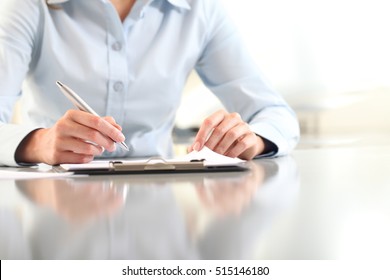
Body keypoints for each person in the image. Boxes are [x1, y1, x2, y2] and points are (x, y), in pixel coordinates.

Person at [0, 0, 300, 167]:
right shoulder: (29, 6)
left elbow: (276, 114)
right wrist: (40, 143)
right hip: (54, 197)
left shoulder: (200, 9)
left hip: (159, 195)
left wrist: (251, 139)